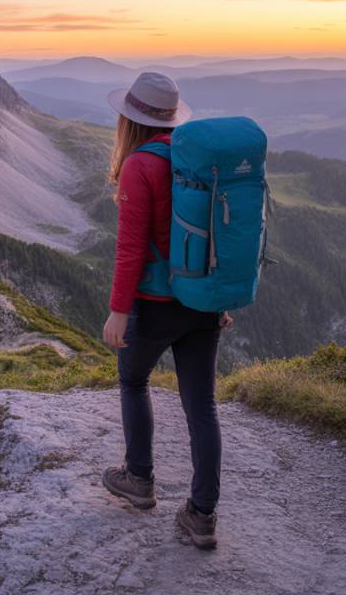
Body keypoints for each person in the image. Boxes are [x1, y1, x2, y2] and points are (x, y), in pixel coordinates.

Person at [100, 72, 231, 550]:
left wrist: (119, 311)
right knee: (203, 407)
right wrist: (217, 298)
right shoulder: (194, 158)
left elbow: (130, 249)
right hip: (201, 303)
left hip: (155, 306)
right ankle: (202, 515)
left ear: (129, 120)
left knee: (133, 381)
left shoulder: (139, 165)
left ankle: (139, 480)